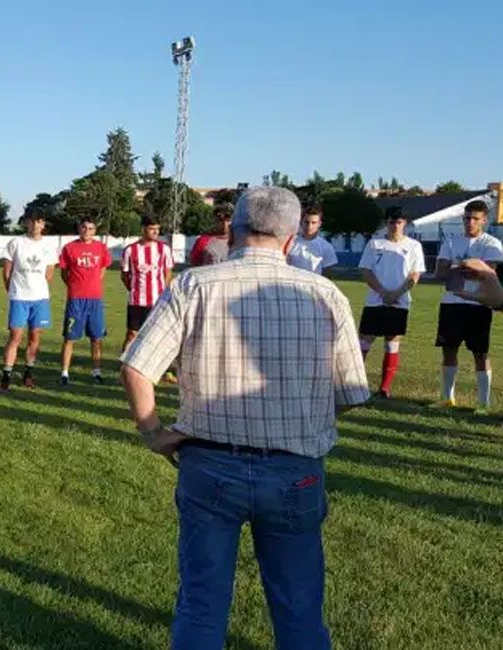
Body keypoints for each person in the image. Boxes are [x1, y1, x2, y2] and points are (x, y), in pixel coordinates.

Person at [121, 186, 370, 649]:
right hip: (295, 468)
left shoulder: (195, 285)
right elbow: (352, 391)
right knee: (299, 610)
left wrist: (153, 432)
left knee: (201, 604)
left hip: (210, 462)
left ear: (232, 231)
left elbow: (136, 367)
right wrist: (306, 410)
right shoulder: (325, 294)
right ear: (292, 239)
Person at [432, 199, 503, 411]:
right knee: (448, 349)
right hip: (451, 302)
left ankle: (483, 401)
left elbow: (487, 273)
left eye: (475, 218)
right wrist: (466, 265)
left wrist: (460, 266)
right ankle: (447, 397)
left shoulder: (492, 244)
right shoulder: (451, 241)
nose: (469, 222)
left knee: (480, 353)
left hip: (479, 304)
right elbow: (440, 272)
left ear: (484, 220)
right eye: (466, 218)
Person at [358, 207, 425, 398]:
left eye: (399, 222)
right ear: (386, 223)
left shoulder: (413, 246)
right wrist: (382, 292)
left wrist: (396, 293)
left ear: (405, 223)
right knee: (364, 340)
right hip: (375, 301)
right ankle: (356, 384)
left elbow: (415, 274)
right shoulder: (374, 244)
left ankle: (384, 388)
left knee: (392, 342)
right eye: (392, 222)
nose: (395, 226)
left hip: (399, 302)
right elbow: (366, 271)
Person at [0, 208, 58, 391]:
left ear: (43, 224)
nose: (35, 225)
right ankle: (6, 375)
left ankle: (28, 374)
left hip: (40, 299)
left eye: (39, 221)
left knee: (34, 337)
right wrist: (14, 291)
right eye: (32, 221)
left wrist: (36, 288)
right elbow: (7, 272)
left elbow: (49, 275)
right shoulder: (16, 243)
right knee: (15, 336)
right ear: (26, 223)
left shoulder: (49, 246)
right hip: (19, 298)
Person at [58, 216, 110, 385]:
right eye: (84, 227)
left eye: (90, 228)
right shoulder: (69, 248)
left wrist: (92, 285)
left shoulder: (101, 248)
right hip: (76, 300)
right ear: (79, 228)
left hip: (95, 300)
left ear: (95, 231)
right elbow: (64, 273)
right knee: (70, 337)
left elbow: (102, 269)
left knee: (96, 338)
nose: (87, 231)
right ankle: (64, 373)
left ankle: (96, 372)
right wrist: (75, 286)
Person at [120, 216, 173, 360]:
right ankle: (125, 363)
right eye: (151, 229)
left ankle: (160, 367)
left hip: (158, 301)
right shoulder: (130, 250)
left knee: (159, 335)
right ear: (143, 229)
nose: (155, 232)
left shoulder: (164, 249)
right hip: (137, 301)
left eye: (157, 229)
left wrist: (163, 291)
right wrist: (134, 289)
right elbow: (124, 275)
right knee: (132, 333)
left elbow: (167, 273)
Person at [287, 205, 338, 275]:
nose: (309, 226)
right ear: (301, 222)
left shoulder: (326, 247)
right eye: (306, 222)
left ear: (319, 224)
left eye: (313, 223)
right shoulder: (290, 243)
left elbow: (328, 272)